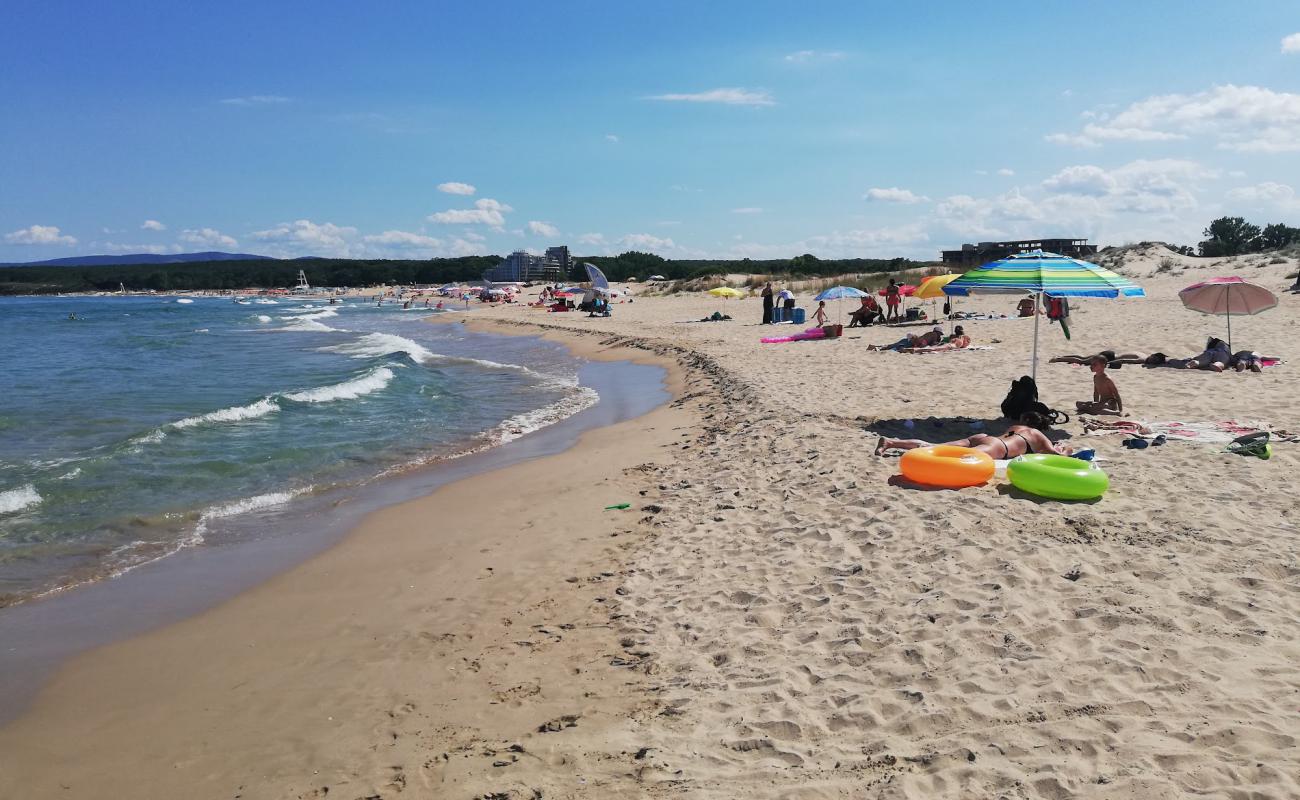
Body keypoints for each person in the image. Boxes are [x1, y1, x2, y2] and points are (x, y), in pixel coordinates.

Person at [875, 418, 1072, 458]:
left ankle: (891, 442)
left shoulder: (1017, 426)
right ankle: (891, 444)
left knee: (936, 446)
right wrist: (1066, 449)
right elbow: (1058, 455)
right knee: (953, 456)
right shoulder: (1037, 435)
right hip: (997, 448)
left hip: (983, 437)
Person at [898, 325, 971, 352]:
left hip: (951, 342)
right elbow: (965, 343)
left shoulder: (953, 336)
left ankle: (915, 349)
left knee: (935, 347)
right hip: (952, 344)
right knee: (935, 348)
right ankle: (915, 349)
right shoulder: (962, 339)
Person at [868, 326, 944, 351]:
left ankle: (875, 346)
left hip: (909, 339)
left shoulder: (929, 333)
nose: (940, 336)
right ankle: (877, 348)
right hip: (913, 342)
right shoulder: (934, 335)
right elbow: (932, 344)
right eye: (940, 334)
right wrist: (940, 343)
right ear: (937, 332)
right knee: (895, 347)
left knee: (892, 345)